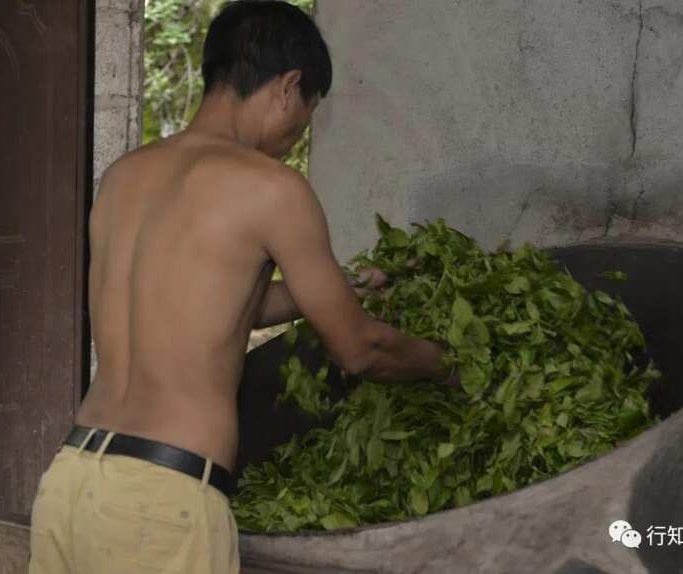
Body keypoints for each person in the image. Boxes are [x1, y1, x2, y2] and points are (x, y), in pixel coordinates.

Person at [28, 2, 456, 573]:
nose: (293, 139)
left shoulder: (124, 176)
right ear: (288, 86)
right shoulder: (272, 188)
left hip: (72, 483)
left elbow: (216, 307)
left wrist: (344, 287)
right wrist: (448, 366)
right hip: (160, 503)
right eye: (303, 120)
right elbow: (361, 349)